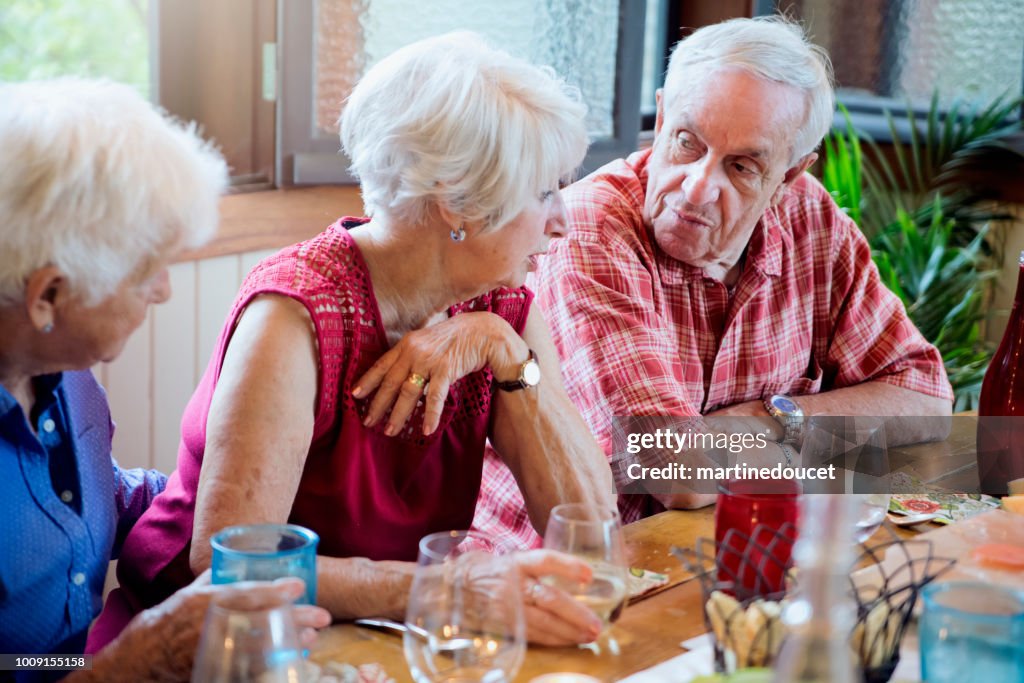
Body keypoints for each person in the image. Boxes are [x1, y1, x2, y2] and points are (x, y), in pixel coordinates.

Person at [93, 32, 614, 650]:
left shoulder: (498, 309)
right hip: (214, 644)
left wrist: (505, 350)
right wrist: (439, 587)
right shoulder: (294, 314)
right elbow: (229, 565)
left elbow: (589, 525)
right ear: (457, 202)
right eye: (544, 190)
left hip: (376, 635)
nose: (563, 219)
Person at [472, 16, 954, 548]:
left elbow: (924, 399)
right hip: (558, 569)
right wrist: (808, 433)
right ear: (659, 124)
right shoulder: (594, 228)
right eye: (686, 143)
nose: (698, 188)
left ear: (789, 177)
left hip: (731, 545)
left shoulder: (810, 219)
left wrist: (773, 417)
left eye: (743, 166)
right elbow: (678, 469)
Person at [0, 78, 331, 681]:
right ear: (48, 294)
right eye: (147, 271)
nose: (164, 289)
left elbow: (92, 496)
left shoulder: (64, 378)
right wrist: (125, 664)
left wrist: (228, 497)